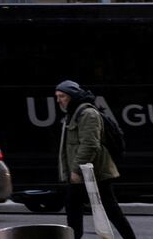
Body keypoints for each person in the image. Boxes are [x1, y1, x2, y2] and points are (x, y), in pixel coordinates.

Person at [57, 80, 137, 239]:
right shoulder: (73, 114)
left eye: (62, 96)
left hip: (94, 172)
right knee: (73, 207)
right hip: (83, 172)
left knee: (110, 209)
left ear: (72, 96)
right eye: (57, 96)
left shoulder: (88, 114)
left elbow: (90, 144)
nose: (59, 100)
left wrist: (76, 169)